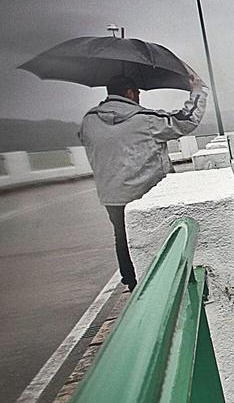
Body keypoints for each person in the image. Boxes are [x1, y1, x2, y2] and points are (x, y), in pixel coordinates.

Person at [79, 71, 206, 291]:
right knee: (166, 237)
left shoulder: (89, 120)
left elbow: (84, 139)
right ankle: (169, 284)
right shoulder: (145, 120)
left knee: (123, 237)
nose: (139, 97)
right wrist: (198, 91)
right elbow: (185, 121)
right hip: (147, 192)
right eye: (137, 93)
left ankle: (132, 283)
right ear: (130, 93)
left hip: (112, 195)